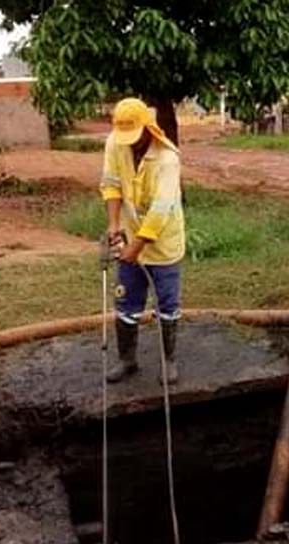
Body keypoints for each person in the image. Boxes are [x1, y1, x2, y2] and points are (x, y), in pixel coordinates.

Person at [100, 97, 185, 385]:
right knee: (125, 302)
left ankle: (169, 361)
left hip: (162, 244)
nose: (129, 143)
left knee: (168, 304)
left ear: (148, 129)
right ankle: (127, 360)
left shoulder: (167, 159)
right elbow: (111, 183)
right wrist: (114, 226)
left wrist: (136, 247)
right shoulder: (115, 142)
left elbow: (161, 210)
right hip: (128, 237)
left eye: (134, 137)